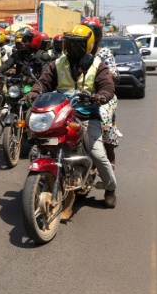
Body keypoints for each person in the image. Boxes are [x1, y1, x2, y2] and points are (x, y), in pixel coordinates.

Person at [26, 24, 118, 212]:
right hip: (61, 113)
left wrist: (101, 96)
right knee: (41, 142)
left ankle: (110, 188)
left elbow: (107, 87)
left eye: (77, 44)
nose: (71, 48)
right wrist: (34, 92)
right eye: (69, 43)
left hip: (87, 115)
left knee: (97, 154)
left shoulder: (97, 65)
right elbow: (44, 82)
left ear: (88, 45)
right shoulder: (58, 63)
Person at [82, 17, 121, 168]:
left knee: (103, 119)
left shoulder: (104, 53)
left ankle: (109, 159)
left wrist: (105, 79)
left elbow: (114, 75)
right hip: (77, 95)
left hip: (102, 96)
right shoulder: (75, 53)